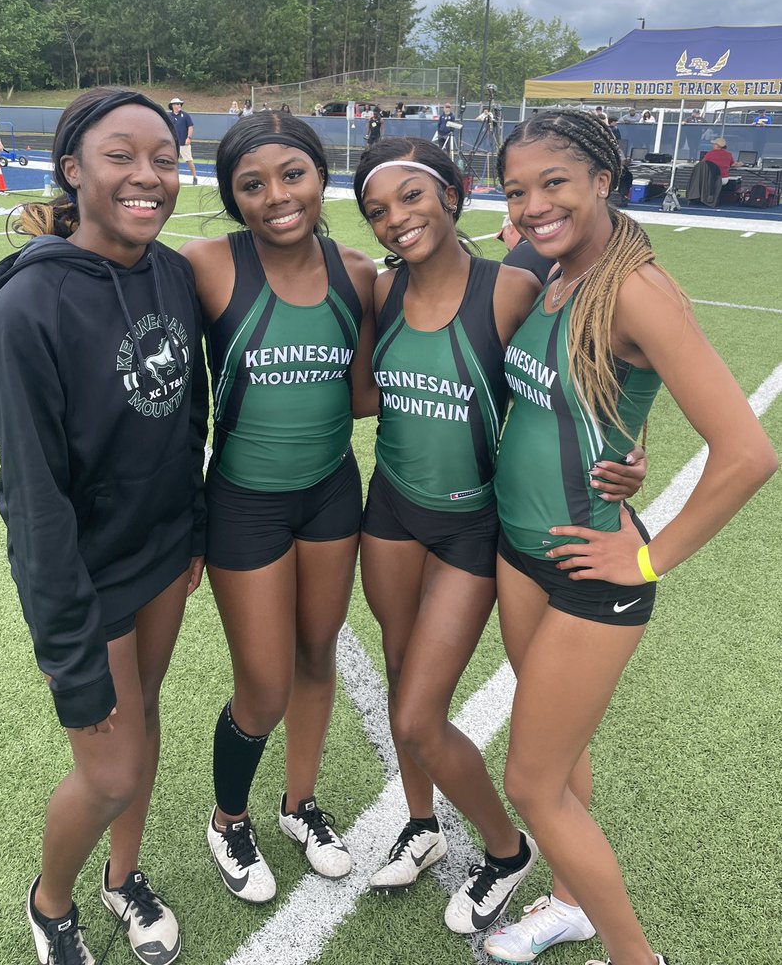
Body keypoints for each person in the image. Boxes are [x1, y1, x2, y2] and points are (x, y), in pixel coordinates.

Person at [482, 108, 776, 965]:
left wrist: (647, 557)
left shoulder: (636, 291)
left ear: (604, 182)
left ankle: (635, 957)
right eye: (517, 192)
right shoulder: (555, 269)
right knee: (560, 755)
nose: (534, 206)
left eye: (554, 184)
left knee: (530, 782)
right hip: (521, 550)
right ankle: (570, 905)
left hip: (591, 570)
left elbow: (748, 454)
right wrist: (626, 452)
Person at [352, 138, 646, 938]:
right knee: (398, 670)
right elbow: (362, 396)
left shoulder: (514, 288)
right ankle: (422, 824)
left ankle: (506, 849)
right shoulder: (380, 290)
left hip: (473, 524)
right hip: (391, 509)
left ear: (452, 195)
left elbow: (580, 385)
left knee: (419, 714)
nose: (396, 219)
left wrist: (627, 453)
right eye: (377, 209)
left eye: (412, 197)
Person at [0, 87, 208, 965]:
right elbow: (34, 502)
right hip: (88, 575)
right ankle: (51, 902)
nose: (149, 176)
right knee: (110, 771)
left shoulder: (172, 273)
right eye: (122, 156)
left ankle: (123, 875)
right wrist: (67, 646)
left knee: (145, 718)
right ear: (73, 169)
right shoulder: (25, 310)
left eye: (163, 158)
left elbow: (187, 413)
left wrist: (192, 529)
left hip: (163, 554)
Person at [179, 112, 377, 904]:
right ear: (233, 198)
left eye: (292, 175)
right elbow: (122, 306)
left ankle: (300, 805)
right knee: (262, 686)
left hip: (331, 493)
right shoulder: (204, 264)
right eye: (252, 185)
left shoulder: (357, 272)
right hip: (243, 502)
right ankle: (229, 819)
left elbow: (366, 395)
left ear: (320, 175)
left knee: (317, 654)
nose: (277, 197)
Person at [167, 98, 196, 184]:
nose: (179, 105)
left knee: (189, 160)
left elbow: (190, 127)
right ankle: (174, 178)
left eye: (180, 104)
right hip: (173, 143)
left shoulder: (185, 115)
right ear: (173, 106)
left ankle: (194, 177)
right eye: (177, 104)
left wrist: (188, 138)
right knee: (174, 161)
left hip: (184, 143)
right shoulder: (169, 116)